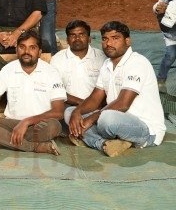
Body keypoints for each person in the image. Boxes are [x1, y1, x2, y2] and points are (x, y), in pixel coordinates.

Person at [66, 21, 167, 157]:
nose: (108, 43)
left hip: (146, 130)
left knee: (106, 119)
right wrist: (77, 112)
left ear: (127, 41)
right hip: (115, 120)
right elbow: (95, 99)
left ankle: (98, 138)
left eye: (115, 38)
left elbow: (123, 104)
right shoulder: (107, 64)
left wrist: (91, 119)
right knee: (70, 113)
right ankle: (104, 144)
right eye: (105, 39)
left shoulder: (138, 62)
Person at [0, 30, 65, 156]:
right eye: (22, 47)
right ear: (17, 50)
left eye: (32, 48)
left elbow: (58, 112)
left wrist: (26, 122)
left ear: (39, 52)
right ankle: (35, 146)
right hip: (11, 123)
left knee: (54, 126)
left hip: (38, 124)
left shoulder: (51, 72)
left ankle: (4, 141)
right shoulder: (8, 69)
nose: (26, 51)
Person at [50, 20, 106, 106]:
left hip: (99, 106)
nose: (77, 39)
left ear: (89, 39)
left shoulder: (102, 57)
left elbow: (108, 88)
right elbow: (55, 89)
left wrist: (95, 106)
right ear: (67, 40)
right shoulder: (57, 59)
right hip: (68, 106)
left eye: (81, 35)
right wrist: (85, 105)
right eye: (73, 35)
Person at [153, 0, 176, 92]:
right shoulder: (171, 5)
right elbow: (165, 28)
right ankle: (161, 80)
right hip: (172, 35)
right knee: (170, 57)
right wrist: (161, 14)